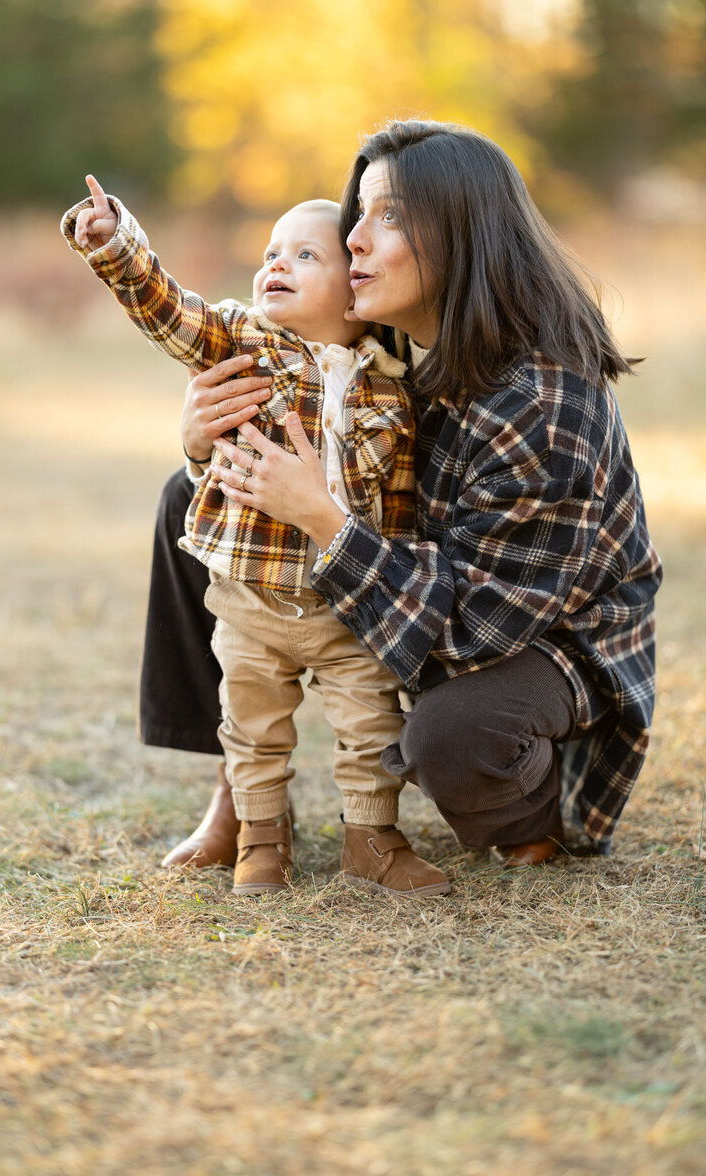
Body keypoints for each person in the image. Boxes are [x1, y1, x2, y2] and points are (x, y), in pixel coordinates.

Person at [143, 119, 662, 873]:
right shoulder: (389, 352)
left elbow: (475, 629)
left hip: (543, 644)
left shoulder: (542, 403)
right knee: (184, 501)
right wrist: (204, 445)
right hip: (430, 595)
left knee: (454, 735)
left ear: (463, 234)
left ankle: (533, 809)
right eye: (360, 214)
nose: (354, 237)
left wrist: (321, 518)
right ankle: (238, 792)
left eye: (388, 216)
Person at [61, 176, 451, 898]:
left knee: (371, 726)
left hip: (344, 607)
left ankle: (372, 838)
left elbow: (397, 510)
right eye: (272, 251)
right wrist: (118, 245)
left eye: (305, 256)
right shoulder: (241, 338)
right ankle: (259, 839)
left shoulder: (392, 390)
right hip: (253, 599)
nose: (276, 265)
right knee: (252, 726)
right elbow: (167, 310)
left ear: (354, 290)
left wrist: (387, 595)